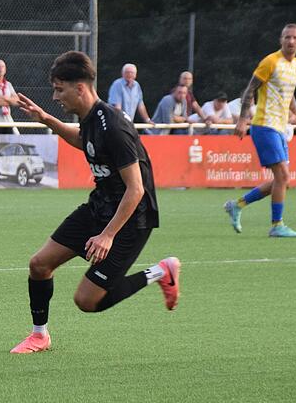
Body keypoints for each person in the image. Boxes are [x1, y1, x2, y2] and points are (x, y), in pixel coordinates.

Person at [10, 51, 180, 354]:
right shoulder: (89, 119)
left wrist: (108, 235)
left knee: (87, 301)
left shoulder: (113, 126)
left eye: (59, 89)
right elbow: (82, 141)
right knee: (39, 264)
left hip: (130, 220)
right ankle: (40, 336)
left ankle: (160, 272)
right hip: (99, 206)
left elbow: (136, 189)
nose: (55, 96)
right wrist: (46, 119)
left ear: (80, 88)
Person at [224, 23, 296, 237]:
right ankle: (277, 225)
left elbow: (288, 95)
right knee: (283, 175)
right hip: (264, 125)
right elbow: (249, 89)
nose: (290, 41)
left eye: (294, 38)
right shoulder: (271, 62)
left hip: (279, 127)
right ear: (281, 40)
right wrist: (243, 120)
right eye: (286, 37)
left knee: (281, 180)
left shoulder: (295, 64)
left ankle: (237, 205)